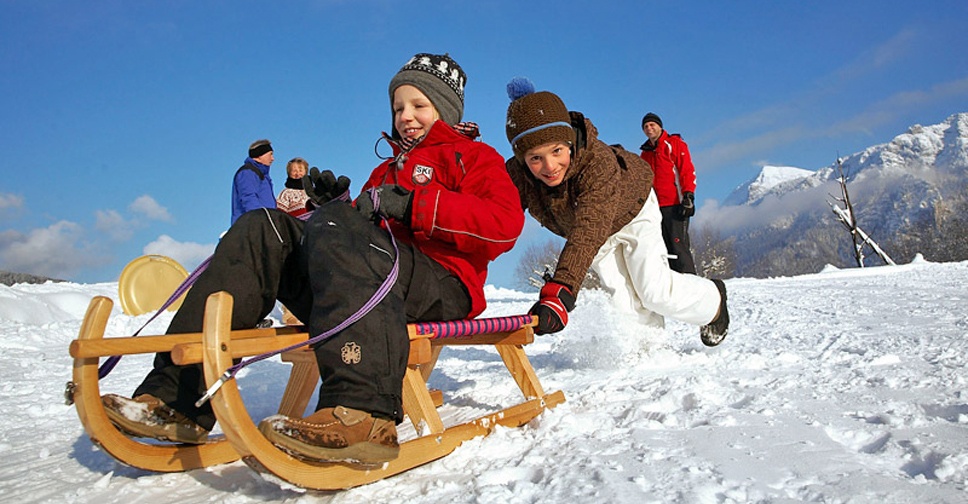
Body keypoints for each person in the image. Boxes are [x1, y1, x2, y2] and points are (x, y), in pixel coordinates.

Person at [100, 53, 524, 465]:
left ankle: (363, 413)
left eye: (420, 105)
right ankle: (177, 398)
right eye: (398, 107)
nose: (406, 116)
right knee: (261, 227)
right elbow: (363, 238)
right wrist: (332, 210)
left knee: (338, 225)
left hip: (442, 284)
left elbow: (504, 225)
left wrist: (413, 205)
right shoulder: (383, 172)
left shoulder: (474, 157)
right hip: (374, 282)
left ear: (446, 111)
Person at [503, 78, 728, 346]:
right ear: (522, 159)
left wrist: (559, 291)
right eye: (535, 158)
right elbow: (494, 216)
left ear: (570, 143)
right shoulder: (518, 176)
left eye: (557, 151)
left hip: (632, 210)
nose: (550, 166)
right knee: (623, 303)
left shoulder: (598, 164)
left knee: (653, 291)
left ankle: (714, 300)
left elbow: (588, 229)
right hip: (595, 233)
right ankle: (651, 352)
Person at [638, 112, 698, 274]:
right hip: (655, 208)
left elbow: (686, 170)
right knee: (663, 249)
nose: (649, 129)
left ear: (660, 126)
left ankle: (690, 284)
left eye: (652, 125)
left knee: (679, 247)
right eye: (645, 126)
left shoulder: (675, 144)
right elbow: (643, 181)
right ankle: (673, 287)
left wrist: (688, 195)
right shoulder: (645, 153)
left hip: (676, 204)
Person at [230, 139, 277, 224]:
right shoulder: (247, 173)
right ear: (260, 155)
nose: (272, 158)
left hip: (265, 225)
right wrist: (261, 220)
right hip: (251, 226)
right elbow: (248, 198)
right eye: (270, 154)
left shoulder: (263, 175)